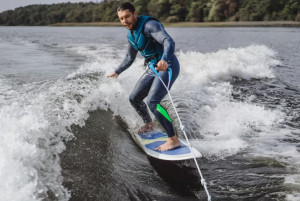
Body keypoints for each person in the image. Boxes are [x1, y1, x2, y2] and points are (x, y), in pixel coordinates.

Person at [107, 2, 181, 151]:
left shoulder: (150, 25)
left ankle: (173, 139)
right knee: (134, 98)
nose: (124, 21)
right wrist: (117, 72)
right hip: (153, 67)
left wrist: (164, 59)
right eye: (121, 18)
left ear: (135, 13)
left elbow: (168, 41)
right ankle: (149, 124)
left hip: (168, 65)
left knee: (153, 102)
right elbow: (129, 57)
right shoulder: (131, 34)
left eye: (127, 16)